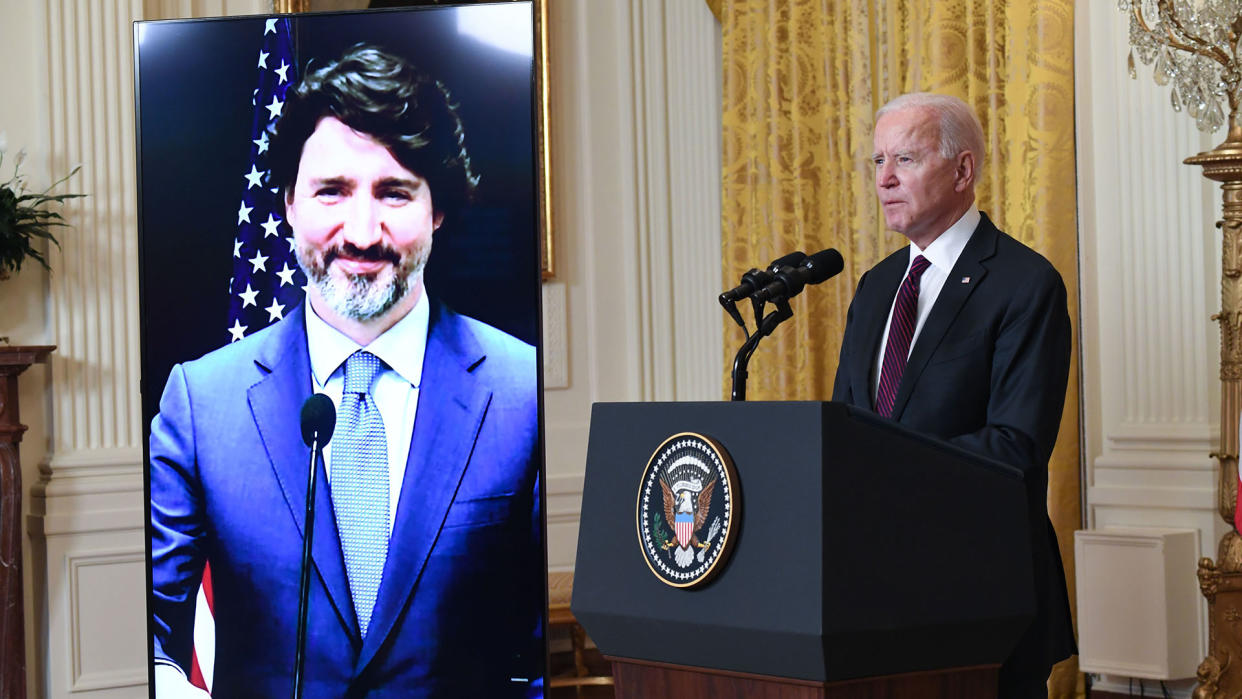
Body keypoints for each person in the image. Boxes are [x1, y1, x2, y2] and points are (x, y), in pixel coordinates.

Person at [148, 44, 542, 697]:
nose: (362, 231)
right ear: (289, 205)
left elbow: (538, 662)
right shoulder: (199, 402)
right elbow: (149, 639)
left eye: (394, 192)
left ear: (436, 208)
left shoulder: (521, 391)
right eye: (332, 191)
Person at [832, 92, 1076, 697]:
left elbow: (1015, 445)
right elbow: (845, 426)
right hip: (873, 598)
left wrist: (883, 470)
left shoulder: (1025, 283)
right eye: (878, 160)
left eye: (906, 160)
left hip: (981, 594)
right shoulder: (876, 286)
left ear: (963, 171)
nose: (885, 179)